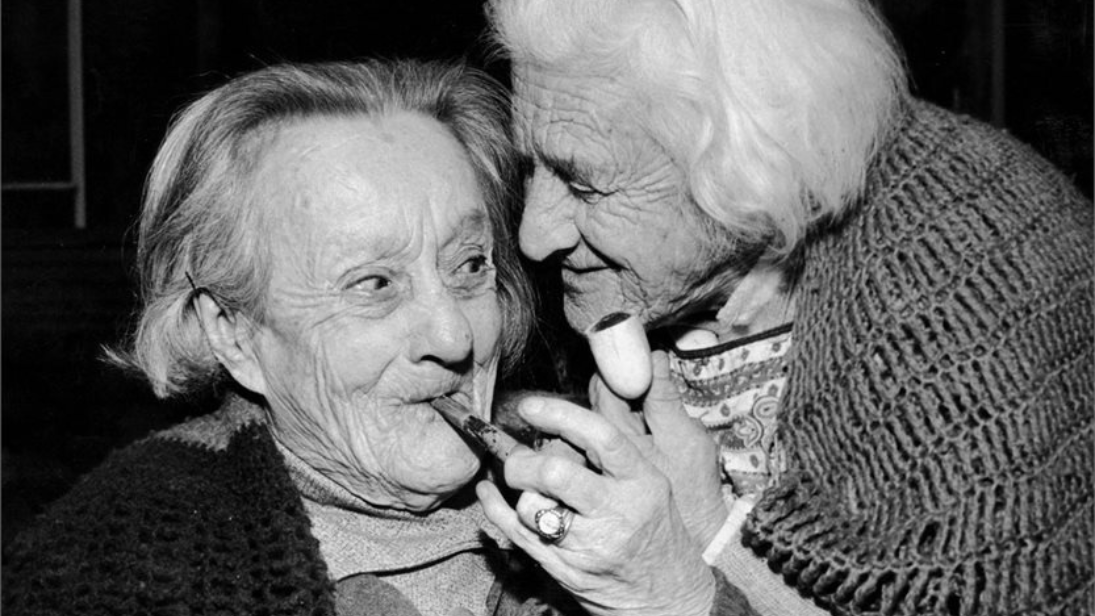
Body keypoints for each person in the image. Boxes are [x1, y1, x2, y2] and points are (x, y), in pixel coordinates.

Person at [1, 58, 757, 616]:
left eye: (468, 266)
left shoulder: (613, 502)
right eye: (374, 285)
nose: (454, 334)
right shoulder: (114, 570)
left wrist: (675, 592)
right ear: (232, 332)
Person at [482, 0, 1094, 615]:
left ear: (741, 166)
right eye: (532, 165)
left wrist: (683, 580)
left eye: (584, 183)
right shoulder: (652, 258)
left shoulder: (954, 315)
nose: (535, 234)